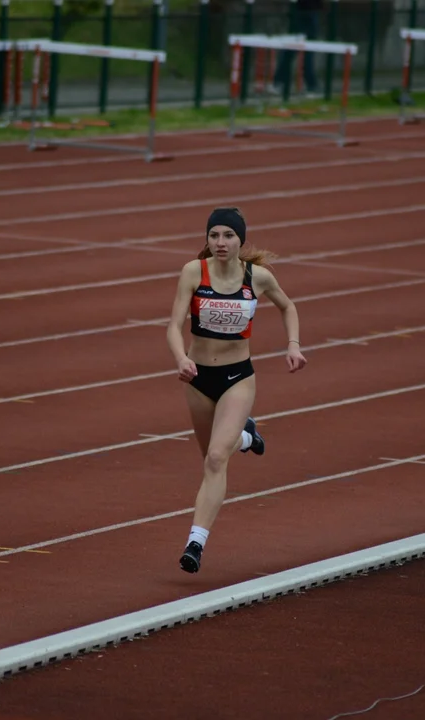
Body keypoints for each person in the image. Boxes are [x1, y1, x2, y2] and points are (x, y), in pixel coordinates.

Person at [166, 207, 307, 574]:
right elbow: (173, 323)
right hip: (197, 379)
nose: (220, 242)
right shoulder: (193, 272)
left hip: (237, 378)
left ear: (240, 240)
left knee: (216, 458)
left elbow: (287, 306)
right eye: (214, 236)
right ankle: (247, 438)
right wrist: (181, 358)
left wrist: (293, 344)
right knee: (211, 458)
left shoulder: (256, 277)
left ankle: (195, 543)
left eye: (228, 235)